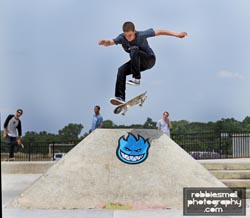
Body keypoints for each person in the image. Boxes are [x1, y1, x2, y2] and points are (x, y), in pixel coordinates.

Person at [98, 21, 187, 104]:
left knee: (134, 49)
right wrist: (104, 42)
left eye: (130, 35)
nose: (128, 38)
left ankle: (136, 79)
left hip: (149, 59)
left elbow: (159, 32)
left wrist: (177, 35)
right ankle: (120, 98)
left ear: (134, 31)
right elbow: (110, 42)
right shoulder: (122, 38)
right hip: (138, 64)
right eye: (126, 35)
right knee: (121, 70)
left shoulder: (141, 35)